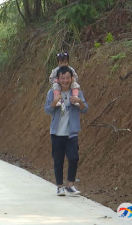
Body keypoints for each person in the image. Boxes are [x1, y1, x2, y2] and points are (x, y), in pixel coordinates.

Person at [44, 66, 88, 196]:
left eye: (67, 78)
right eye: (62, 78)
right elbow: (47, 110)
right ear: (58, 79)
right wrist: (54, 103)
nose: (65, 80)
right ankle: (59, 186)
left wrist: (79, 101)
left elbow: (85, 109)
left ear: (71, 78)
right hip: (57, 133)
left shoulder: (77, 93)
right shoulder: (52, 93)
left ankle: (70, 185)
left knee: (74, 158)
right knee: (58, 160)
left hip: (71, 132)